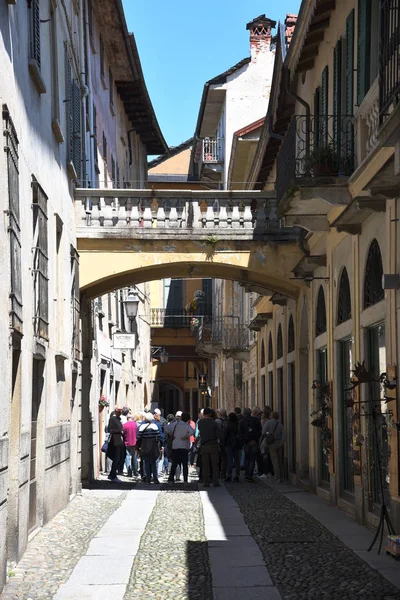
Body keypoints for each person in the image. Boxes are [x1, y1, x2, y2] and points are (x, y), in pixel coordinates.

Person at [166, 412, 195, 483]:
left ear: (181, 417)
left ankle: (171, 478)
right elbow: (192, 432)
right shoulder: (187, 425)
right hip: (184, 447)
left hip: (175, 446)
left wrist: (171, 435)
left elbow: (166, 428)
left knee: (174, 464)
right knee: (185, 465)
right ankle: (185, 479)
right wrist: (186, 437)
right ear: (188, 419)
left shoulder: (175, 424)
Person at [198, 407, 220, 487]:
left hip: (204, 445)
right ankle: (216, 481)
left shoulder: (200, 423)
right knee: (215, 465)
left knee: (205, 465)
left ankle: (206, 482)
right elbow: (218, 434)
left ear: (203, 414)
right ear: (210, 414)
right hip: (213, 445)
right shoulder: (214, 423)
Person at [137, 413, 161, 484]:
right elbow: (158, 437)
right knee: (153, 463)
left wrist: (138, 447)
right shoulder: (155, 426)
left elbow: (139, 438)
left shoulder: (142, 427)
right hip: (153, 447)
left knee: (146, 462)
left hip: (144, 447)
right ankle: (155, 478)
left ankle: (148, 478)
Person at [239, 407, 261, 482]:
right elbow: (259, 431)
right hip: (254, 442)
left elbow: (240, 434)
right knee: (252, 459)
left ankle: (247, 473)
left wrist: (246, 441)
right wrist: (255, 440)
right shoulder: (256, 420)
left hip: (246, 443)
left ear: (244, 413)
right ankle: (249, 475)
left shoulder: (242, 421)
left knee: (247, 458)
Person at [263, 411, 285, 482]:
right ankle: (281, 476)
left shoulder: (268, 423)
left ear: (271, 416)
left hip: (272, 443)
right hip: (279, 443)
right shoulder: (280, 425)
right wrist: (281, 443)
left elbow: (263, 432)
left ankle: (277, 477)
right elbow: (283, 435)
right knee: (279, 460)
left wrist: (268, 433)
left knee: (275, 461)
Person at [222, 412, 242, 482]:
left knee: (230, 460)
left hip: (229, 444)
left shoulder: (228, 425)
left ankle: (229, 475)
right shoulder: (238, 425)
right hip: (237, 444)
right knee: (237, 461)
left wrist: (223, 444)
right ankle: (237, 475)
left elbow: (225, 436)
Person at [106, 406, 124, 482]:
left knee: (118, 458)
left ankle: (112, 474)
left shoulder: (118, 419)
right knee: (116, 458)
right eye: (119, 411)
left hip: (119, 441)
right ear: (116, 411)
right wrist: (119, 431)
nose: (120, 412)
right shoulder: (112, 419)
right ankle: (113, 475)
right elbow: (110, 429)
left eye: (121, 411)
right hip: (115, 441)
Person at [215, 408, 228, 479]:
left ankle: (218, 472)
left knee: (218, 458)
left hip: (219, 442)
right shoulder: (227, 420)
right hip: (226, 441)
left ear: (219, 413)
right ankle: (224, 473)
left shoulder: (217, 421)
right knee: (225, 458)